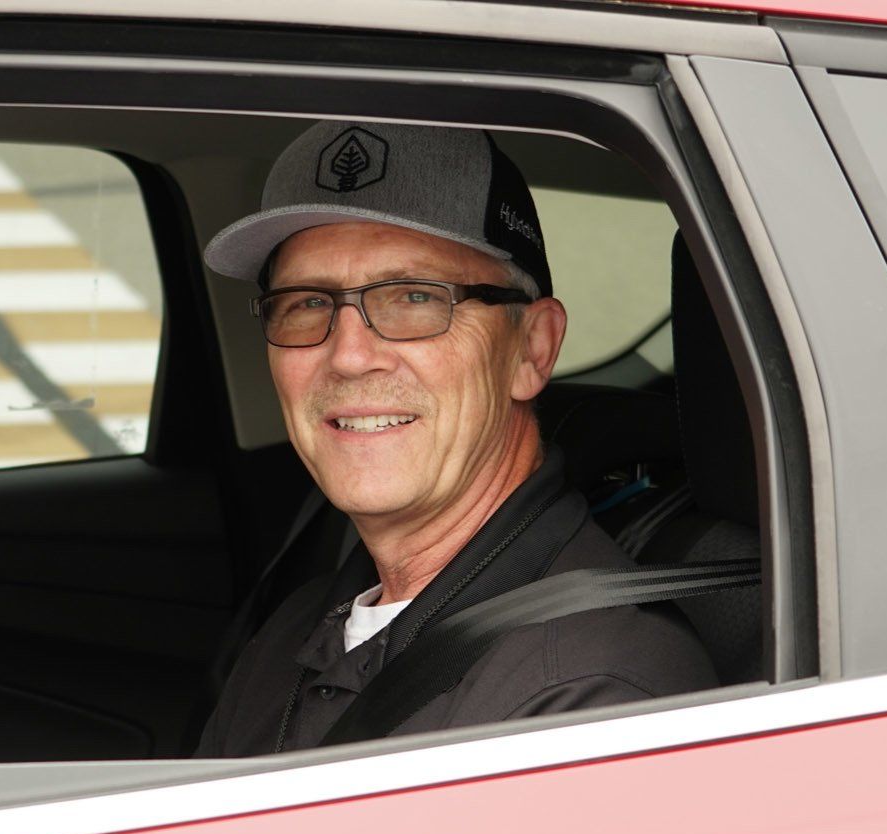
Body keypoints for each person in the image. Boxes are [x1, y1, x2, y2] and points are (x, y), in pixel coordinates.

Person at [195, 121, 716, 756]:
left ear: (532, 348)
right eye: (307, 303)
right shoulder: (302, 623)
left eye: (415, 297)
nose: (350, 355)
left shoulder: (588, 696)